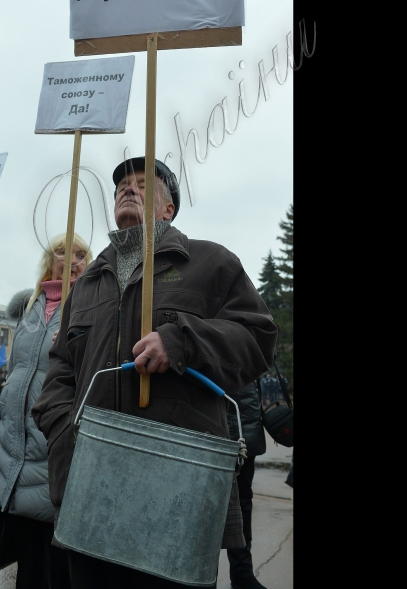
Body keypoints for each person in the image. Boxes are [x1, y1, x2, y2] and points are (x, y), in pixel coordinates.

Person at [32, 157, 277, 589]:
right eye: (123, 185)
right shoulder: (86, 282)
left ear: (169, 208)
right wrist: (63, 431)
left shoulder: (210, 263)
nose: (129, 189)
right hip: (90, 491)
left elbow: (257, 338)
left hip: (176, 496)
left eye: (144, 185)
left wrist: (184, 340)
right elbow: (61, 369)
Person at [0, 232, 92, 589]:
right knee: (28, 556)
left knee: (57, 559)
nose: (73, 259)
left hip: (55, 438)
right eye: (65, 252)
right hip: (16, 439)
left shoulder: (92, 304)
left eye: (81, 254)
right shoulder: (31, 306)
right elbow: (19, 366)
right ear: (50, 259)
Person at [225, 381, 269, 589]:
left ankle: (242, 572)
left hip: (243, 420)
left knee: (242, 502)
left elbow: (265, 355)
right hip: (212, 418)